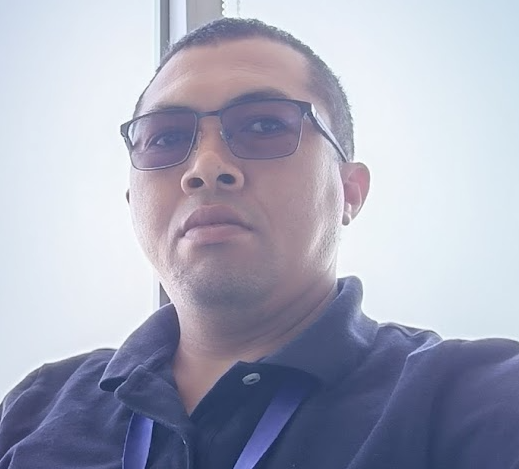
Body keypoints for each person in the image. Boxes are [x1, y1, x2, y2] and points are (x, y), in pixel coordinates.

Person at [1, 17, 518, 469]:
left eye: (265, 124)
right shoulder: (36, 408)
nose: (205, 167)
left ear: (349, 191)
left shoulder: (473, 399)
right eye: (166, 138)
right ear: (133, 201)